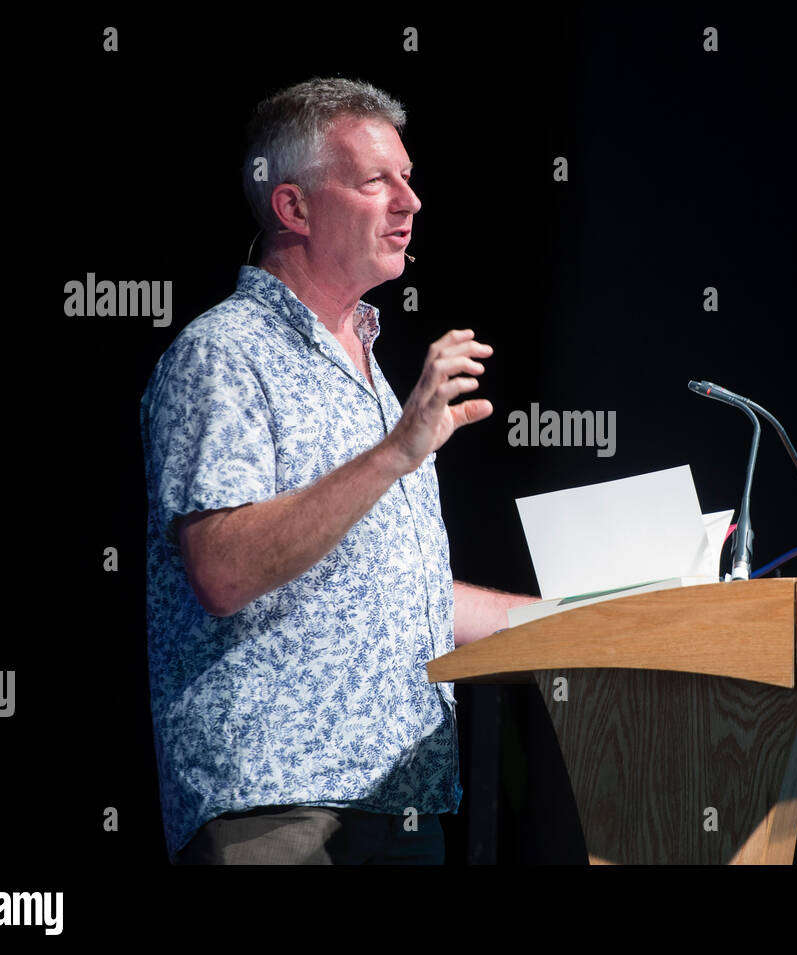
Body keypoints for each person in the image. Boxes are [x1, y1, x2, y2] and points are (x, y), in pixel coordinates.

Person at [139, 77, 536, 865]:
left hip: (403, 798)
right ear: (293, 208)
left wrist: (595, 616)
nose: (410, 201)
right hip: (281, 808)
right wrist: (395, 453)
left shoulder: (368, 373)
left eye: (409, 177)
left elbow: (398, 593)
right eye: (375, 181)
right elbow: (220, 568)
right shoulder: (224, 355)